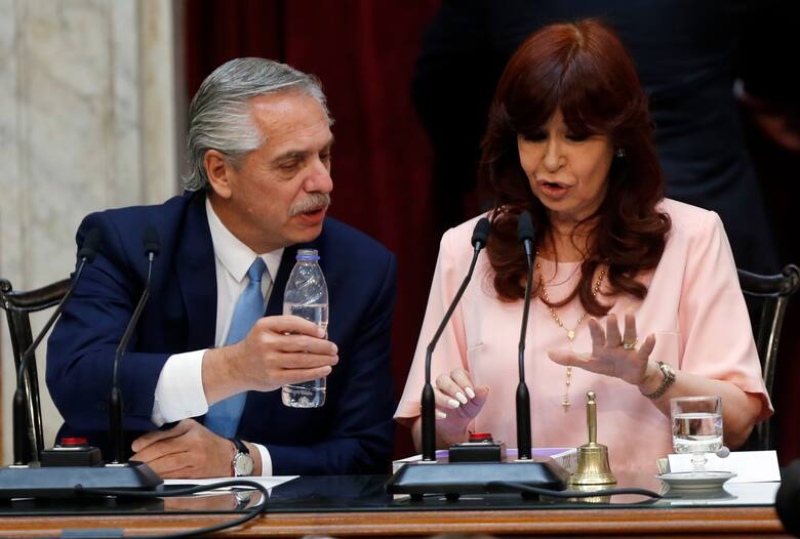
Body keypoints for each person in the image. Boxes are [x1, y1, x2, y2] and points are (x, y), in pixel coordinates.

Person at [395, 19, 772, 474]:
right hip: (510, 520)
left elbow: (738, 423)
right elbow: (423, 431)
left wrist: (651, 378)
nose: (550, 160)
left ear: (617, 141)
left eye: (576, 137)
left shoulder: (691, 237)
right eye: (534, 136)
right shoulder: (470, 248)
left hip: (650, 518)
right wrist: (450, 424)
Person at [46, 57, 398, 478]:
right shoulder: (133, 244)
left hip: (282, 521)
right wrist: (233, 368)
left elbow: (366, 454)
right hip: (134, 509)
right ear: (220, 172)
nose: (323, 182)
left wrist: (241, 461)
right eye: (291, 164)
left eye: (324, 155)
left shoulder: (361, 269)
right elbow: (79, 380)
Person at [412, 0, 781, 276]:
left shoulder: (701, 234)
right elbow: (777, 39)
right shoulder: (464, 250)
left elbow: (439, 80)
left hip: (694, 228)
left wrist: (493, 167)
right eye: (535, 135)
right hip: (703, 188)